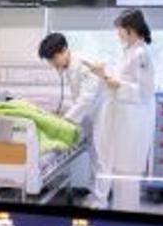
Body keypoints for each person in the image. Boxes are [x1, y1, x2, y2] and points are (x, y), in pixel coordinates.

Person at [84, 8, 156, 211]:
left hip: (133, 122)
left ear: (130, 29)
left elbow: (144, 92)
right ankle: (121, 213)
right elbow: (121, 79)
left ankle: (128, 216)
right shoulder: (128, 51)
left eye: (120, 29)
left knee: (127, 172)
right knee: (119, 170)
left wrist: (113, 81)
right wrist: (104, 74)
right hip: (123, 120)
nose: (118, 33)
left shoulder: (141, 54)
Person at [38, 32, 110, 208]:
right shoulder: (70, 66)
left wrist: (65, 121)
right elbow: (80, 100)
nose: (53, 64)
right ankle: (95, 196)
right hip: (91, 115)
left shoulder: (85, 64)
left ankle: (100, 201)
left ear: (63, 50)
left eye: (53, 59)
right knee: (95, 156)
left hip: (102, 114)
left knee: (101, 158)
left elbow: (86, 98)